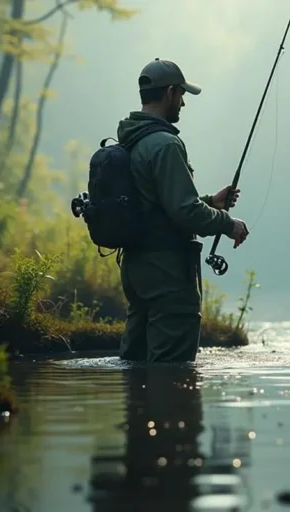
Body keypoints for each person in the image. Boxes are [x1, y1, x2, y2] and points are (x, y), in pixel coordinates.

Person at [115, 58, 249, 363]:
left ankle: (139, 412)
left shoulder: (131, 139)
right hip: (167, 272)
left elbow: (157, 203)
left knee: (135, 364)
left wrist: (210, 201)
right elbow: (185, 213)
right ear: (170, 93)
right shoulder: (164, 144)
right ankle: (170, 413)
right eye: (182, 96)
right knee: (172, 368)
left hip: (136, 268)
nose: (183, 104)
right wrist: (229, 224)